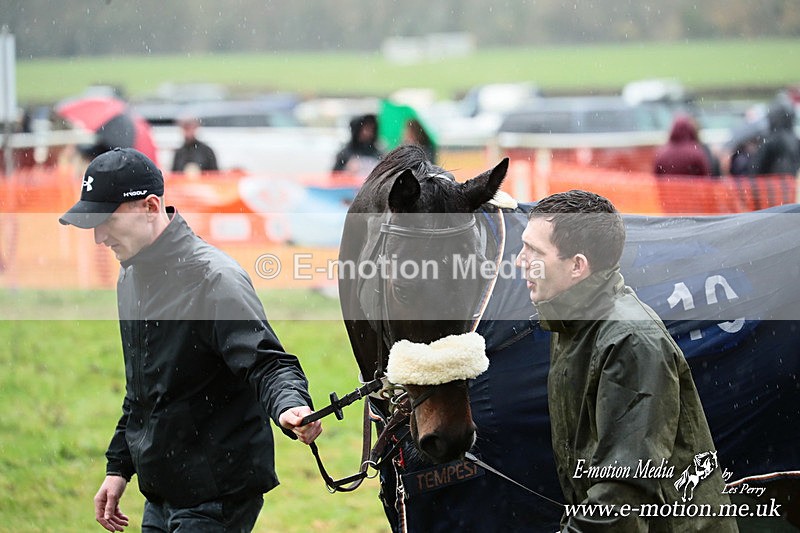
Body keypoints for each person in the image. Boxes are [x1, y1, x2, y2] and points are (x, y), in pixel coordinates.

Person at [58, 148, 322, 532]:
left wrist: (290, 405)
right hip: (163, 493)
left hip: (217, 493)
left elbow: (268, 362)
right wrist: (119, 467)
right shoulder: (130, 278)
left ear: (150, 207)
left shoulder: (214, 279)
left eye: (108, 220)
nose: (99, 237)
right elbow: (143, 390)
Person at [515, 190, 737, 532]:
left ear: (577, 266)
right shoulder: (570, 321)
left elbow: (625, 490)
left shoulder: (630, 341)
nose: (520, 261)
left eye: (534, 251)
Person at [749, 99, 800, 177]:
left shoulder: (771, 141)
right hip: (792, 184)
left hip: (771, 185)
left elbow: (756, 167)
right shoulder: (796, 140)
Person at [331, 113, 382, 178]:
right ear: (357, 130)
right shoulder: (345, 154)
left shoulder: (378, 153)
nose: (369, 133)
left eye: (371, 129)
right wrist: (346, 171)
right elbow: (333, 178)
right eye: (365, 129)